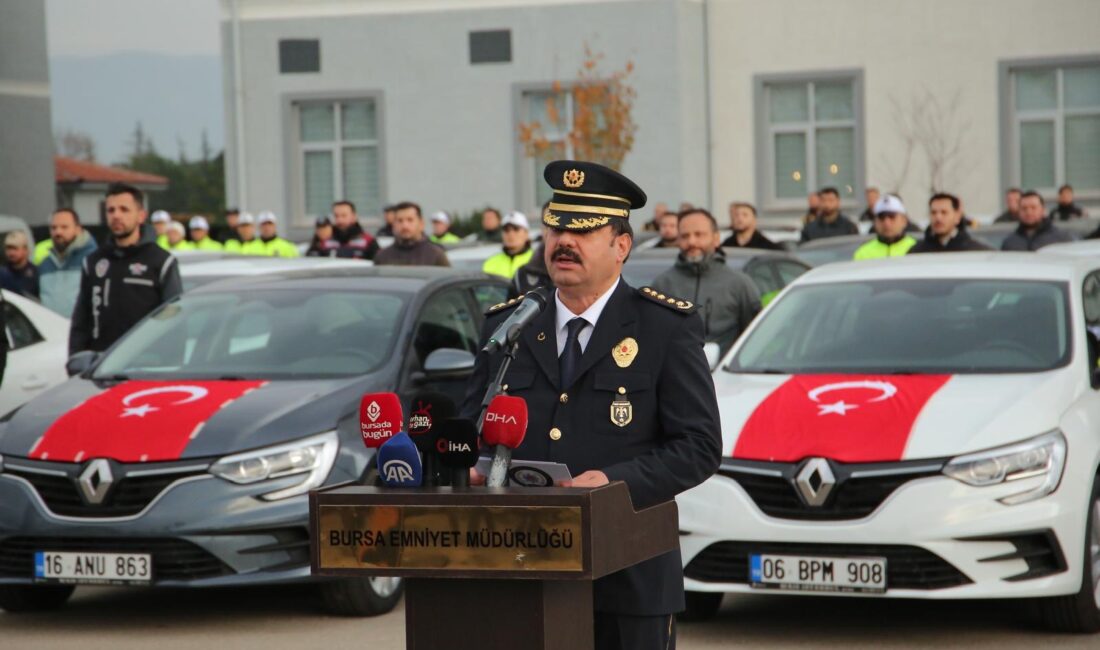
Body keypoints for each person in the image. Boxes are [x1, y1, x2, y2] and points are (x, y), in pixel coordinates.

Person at [463, 160, 721, 650]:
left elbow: (699, 446)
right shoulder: (512, 324)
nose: (564, 241)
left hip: (628, 579)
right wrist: (464, 463)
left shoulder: (663, 327)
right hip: (520, 572)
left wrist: (612, 482)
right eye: (556, 227)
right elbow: (475, 422)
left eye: (582, 231)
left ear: (621, 245)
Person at [70, 183, 182, 355]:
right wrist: (75, 359)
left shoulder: (161, 261)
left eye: (124, 209)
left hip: (147, 364)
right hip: (101, 366)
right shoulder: (93, 262)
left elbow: (173, 319)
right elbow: (81, 320)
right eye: (111, 210)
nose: (116, 215)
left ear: (141, 216)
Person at [652, 208, 762, 354]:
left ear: (716, 238)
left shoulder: (740, 285)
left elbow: (756, 341)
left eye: (699, 235)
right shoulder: (662, 286)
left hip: (723, 374)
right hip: (674, 375)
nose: (692, 242)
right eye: (685, 236)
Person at [37, 208, 98, 316]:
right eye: (53, 228)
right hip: (48, 329)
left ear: (78, 229)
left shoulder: (93, 259)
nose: (58, 232)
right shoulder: (45, 264)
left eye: (64, 227)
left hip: (80, 330)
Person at [373, 202, 450, 267]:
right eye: (400, 221)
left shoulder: (435, 255)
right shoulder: (382, 257)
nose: (405, 225)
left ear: (421, 224)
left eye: (410, 220)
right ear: (393, 225)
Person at [909, 193, 991, 254]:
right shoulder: (917, 253)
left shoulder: (976, 252)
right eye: (933, 213)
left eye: (944, 212)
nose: (938, 217)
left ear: (957, 217)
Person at [1001, 191, 1074, 251]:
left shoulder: (1061, 239)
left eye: (1033, 208)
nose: (1029, 212)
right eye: (1024, 208)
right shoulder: (1010, 243)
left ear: (1043, 210)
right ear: (1019, 212)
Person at [852, 195, 918, 260]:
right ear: (875, 222)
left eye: (892, 217)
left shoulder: (917, 249)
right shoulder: (863, 254)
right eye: (881, 217)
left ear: (904, 220)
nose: (886, 223)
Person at [512, 203, 555, 297]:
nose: (551, 230)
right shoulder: (522, 275)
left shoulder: (583, 271)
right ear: (541, 228)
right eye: (547, 224)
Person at [482, 211, 534, 279]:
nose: (511, 234)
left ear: (526, 233)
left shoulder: (537, 260)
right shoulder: (490, 262)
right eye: (506, 230)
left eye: (516, 229)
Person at [2, 231, 39, 298]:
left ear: (25, 249)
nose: (11, 253)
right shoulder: (2, 274)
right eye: (8, 248)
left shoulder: (37, 274)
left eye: (15, 248)